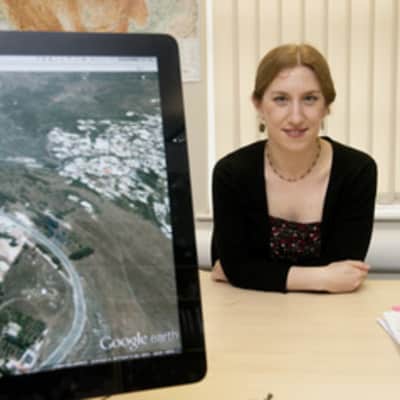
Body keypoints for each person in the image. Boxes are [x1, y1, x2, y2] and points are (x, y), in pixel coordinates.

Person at [210, 43, 377, 293]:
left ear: (326, 105)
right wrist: (323, 277)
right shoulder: (231, 173)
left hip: (330, 311)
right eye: (281, 99)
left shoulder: (357, 171)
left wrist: (253, 273)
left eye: (310, 99)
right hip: (248, 307)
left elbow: (346, 271)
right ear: (258, 105)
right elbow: (237, 267)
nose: (296, 117)